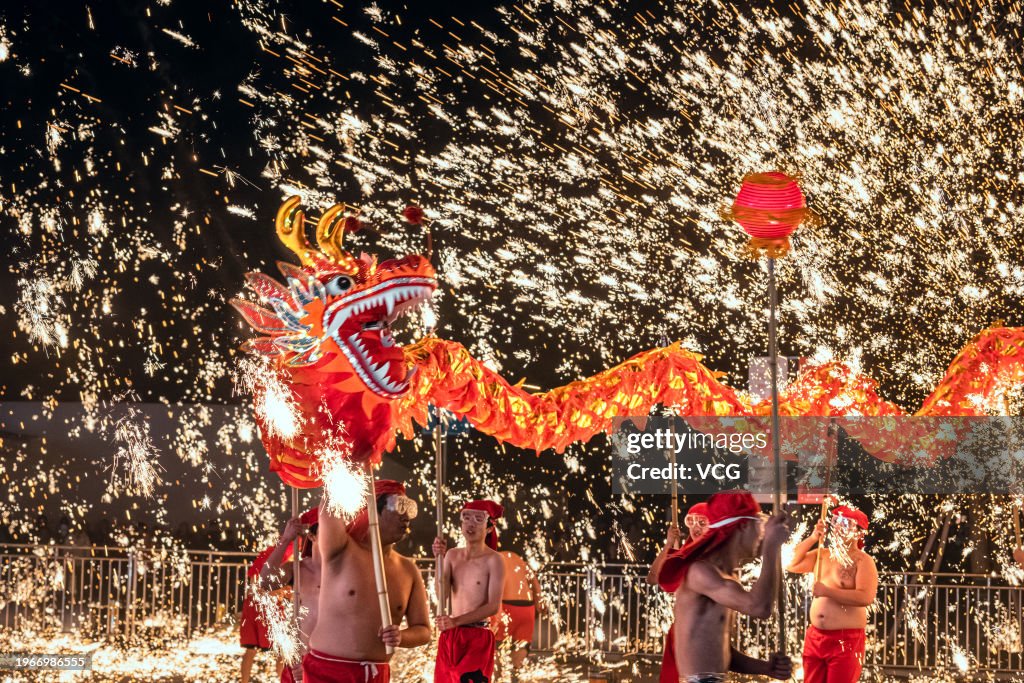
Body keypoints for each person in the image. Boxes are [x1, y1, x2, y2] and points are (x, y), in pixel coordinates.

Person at [658, 491, 793, 683]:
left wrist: (765, 667)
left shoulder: (725, 576)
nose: (762, 534)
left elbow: (719, 649)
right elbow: (759, 608)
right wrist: (771, 547)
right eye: (760, 525)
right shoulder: (700, 572)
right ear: (744, 526)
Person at [304, 480, 431, 683]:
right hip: (328, 670)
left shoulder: (409, 570)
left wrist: (402, 637)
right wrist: (350, 461)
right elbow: (328, 508)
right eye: (399, 507)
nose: (406, 517)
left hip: (376, 674)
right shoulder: (341, 549)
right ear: (374, 510)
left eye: (410, 509)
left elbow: (423, 630)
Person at [788, 505, 878, 683]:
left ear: (859, 533)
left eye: (845, 522)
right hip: (815, 635)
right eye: (836, 521)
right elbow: (790, 563)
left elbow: (865, 597)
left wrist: (827, 591)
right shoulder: (822, 553)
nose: (838, 526)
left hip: (846, 640)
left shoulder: (863, 560)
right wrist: (813, 537)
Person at [432, 500, 506, 683]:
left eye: (478, 519)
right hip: (451, 635)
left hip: (478, 636)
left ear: (489, 528)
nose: (470, 524)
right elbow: (442, 595)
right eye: (466, 518)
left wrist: (455, 621)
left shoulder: (494, 560)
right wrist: (438, 559)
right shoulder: (451, 555)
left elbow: (493, 606)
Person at [647, 503, 708, 683]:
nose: (696, 527)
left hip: (706, 631)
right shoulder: (681, 555)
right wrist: (668, 545)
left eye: (701, 522)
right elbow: (652, 578)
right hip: (682, 631)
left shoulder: (718, 555)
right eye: (692, 521)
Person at [261, 507, 321, 683]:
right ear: (311, 536)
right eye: (327, 531)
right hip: (301, 662)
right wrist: (286, 539)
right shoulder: (298, 569)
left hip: (334, 662)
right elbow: (265, 582)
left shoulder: (347, 570)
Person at [492, 548, 545, 678]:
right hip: (527, 608)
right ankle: (515, 677)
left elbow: (494, 586)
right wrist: (540, 602)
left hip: (505, 606)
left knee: (495, 647)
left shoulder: (495, 558)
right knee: (521, 645)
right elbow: (535, 583)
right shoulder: (520, 560)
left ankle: (497, 679)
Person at [241, 545, 286, 683]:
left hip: (253, 608)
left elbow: (255, 589)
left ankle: (244, 681)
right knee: (281, 650)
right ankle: (281, 680)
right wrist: (283, 591)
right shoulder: (279, 564)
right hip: (267, 610)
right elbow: (262, 591)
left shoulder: (262, 562)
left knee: (251, 650)